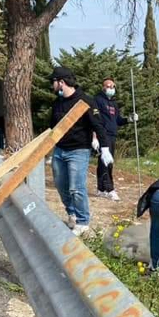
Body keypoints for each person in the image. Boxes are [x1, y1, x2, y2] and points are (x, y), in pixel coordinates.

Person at [49, 66, 113, 236]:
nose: (52, 85)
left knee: (76, 188)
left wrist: (104, 147)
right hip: (59, 149)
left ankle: (83, 222)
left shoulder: (85, 101)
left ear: (61, 82)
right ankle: (72, 214)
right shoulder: (58, 102)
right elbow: (52, 127)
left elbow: (98, 125)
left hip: (78, 150)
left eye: (53, 82)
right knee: (61, 185)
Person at [93, 77, 136, 201]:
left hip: (112, 135)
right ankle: (109, 189)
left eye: (113, 86)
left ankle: (101, 189)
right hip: (103, 135)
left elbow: (118, 120)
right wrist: (94, 136)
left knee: (105, 162)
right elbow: (95, 119)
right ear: (103, 87)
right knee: (106, 162)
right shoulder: (98, 100)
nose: (111, 88)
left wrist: (129, 119)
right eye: (108, 86)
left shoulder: (114, 104)